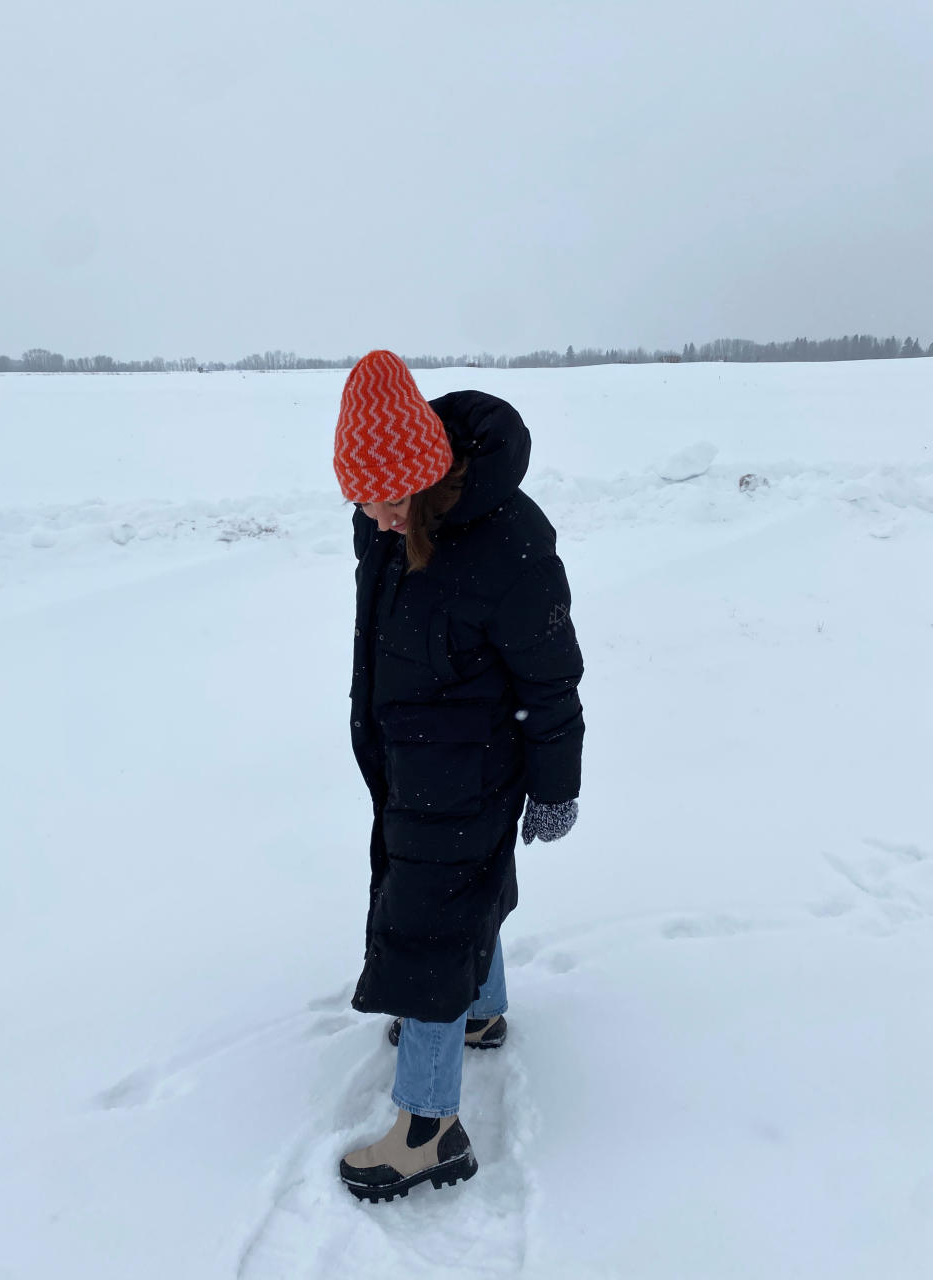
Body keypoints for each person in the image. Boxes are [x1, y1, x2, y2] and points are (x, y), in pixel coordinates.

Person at [333, 350, 584, 1203]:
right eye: (360, 499)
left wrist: (555, 785)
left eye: (390, 499)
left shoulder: (509, 545)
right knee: (460, 894)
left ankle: (429, 1129)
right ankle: (480, 1012)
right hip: (410, 758)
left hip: (473, 765)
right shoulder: (383, 518)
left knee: (430, 929)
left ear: (431, 476)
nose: (374, 516)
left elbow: (552, 678)